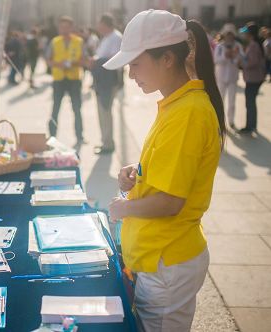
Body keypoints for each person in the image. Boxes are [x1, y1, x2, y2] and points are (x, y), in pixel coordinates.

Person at [105, 10, 225, 331]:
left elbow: (171, 202)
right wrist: (137, 172)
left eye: (135, 64)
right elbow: (171, 170)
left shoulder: (187, 112)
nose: (131, 74)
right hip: (161, 258)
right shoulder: (177, 104)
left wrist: (123, 207)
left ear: (167, 58)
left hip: (167, 261)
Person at [46, 16, 87, 145]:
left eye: (66, 27)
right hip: (59, 79)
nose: (63, 29)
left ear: (71, 27)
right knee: (55, 108)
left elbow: (84, 60)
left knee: (77, 108)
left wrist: (72, 63)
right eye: (61, 27)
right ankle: (52, 136)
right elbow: (48, 60)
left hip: (74, 79)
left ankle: (80, 136)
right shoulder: (54, 42)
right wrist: (59, 64)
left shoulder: (79, 41)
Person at [90, 13, 123, 154]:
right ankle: (105, 141)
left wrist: (95, 61)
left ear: (105, 24)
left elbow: (115, 59)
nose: (98, 26)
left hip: (109, 79)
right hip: (102, 78)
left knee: (105, 111)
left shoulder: (116, 37)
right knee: (102, 112)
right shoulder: (107, 37)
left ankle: (108, 144)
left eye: (100, 23)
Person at [214, 23, 244, 129]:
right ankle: (219, 122)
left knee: (232, 102)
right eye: (227, 34)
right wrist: (225, 56)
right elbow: (215, 60)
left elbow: (241, 60)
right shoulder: (220, 46)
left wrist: (235, 56)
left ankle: (231, 121)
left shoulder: (238, 46)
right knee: (220, 101)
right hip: (221, 77)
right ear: (224, 35)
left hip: (232, 77)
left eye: (231, 34)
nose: (229, 36)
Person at [238, 22, 266, 134]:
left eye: (246, 33)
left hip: (253, 78)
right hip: (255, 77)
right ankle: (251, 125)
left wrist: (241, 63)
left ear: (250, 34)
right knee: (251, 102)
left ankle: (250, 126)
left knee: (249, 102)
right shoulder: (255, 44)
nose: (244, 35)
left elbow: (252, 62)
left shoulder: (254, 45)